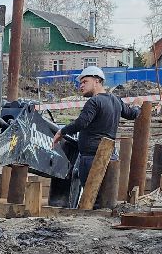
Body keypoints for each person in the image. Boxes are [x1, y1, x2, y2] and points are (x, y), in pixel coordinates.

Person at [51, 66, 138, 204]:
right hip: (109, 155)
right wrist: (138, 107)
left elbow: (82, 122)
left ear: (97, 81)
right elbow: (132, 114)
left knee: (91, 197)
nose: (81, 86)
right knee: (103, 197)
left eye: (85, 81)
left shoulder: (94, 101)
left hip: (91, 158)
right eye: (80, 83)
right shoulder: (115, 100)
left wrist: (62, 131)